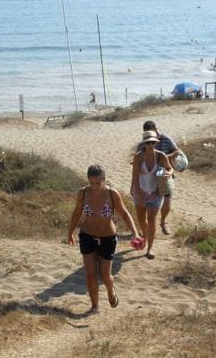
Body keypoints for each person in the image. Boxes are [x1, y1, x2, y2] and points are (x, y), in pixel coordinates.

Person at [67, 165, 141, 314]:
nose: (94, 186)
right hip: (87, 236)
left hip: (108, 238)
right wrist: (70, 233)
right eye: (92, 183)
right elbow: (76, 213)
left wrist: (135, 233)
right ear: (88, 180)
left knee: (105, 276)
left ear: (104, 180)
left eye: (98, 183)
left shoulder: (112, 194)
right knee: (90, 274)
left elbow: (124, 214)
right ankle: (94, 306)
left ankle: (110, 291)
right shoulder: (83, 193)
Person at [132, 131, 174, 259]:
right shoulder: (138, 157)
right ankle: (146, 236)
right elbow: (134, 177)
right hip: (140, 191)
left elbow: (170, 168)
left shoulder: (161, 156)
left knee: (151, 219)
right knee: (141, 219)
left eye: (153, 142)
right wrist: (138, 194)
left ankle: (149, 249)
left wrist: (169, 173)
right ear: (144, 143)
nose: (151, 145)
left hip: (156, 193)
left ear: (156, 143)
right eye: (148, 142)